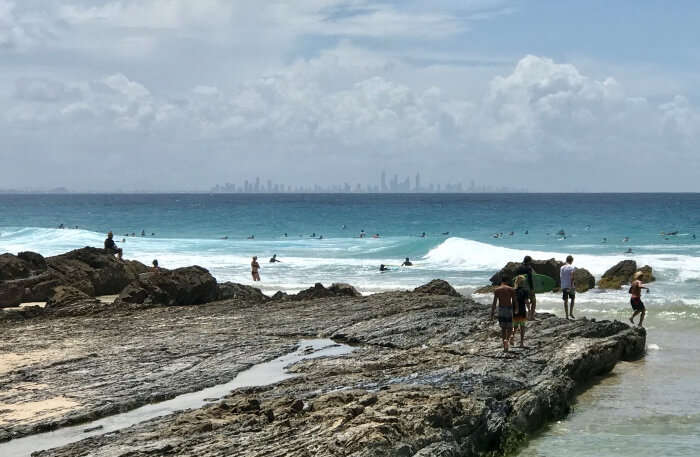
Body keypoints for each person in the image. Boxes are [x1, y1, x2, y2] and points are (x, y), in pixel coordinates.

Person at [491, 276, 515, 352]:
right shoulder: (511, 289)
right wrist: (516, 309)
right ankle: (507, 340)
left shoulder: (497, 290)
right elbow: (514, 301)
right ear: (507, 281)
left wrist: (492, 313)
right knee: (510, 327)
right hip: (509, 309)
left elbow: (494, 303)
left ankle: (505, 347)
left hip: (501, 309)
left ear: (501, 281)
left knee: (503, 329)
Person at [517, 256, 537, 320]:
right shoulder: (529, 268)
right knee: (533, 301)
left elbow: (517, 278)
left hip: (520, 287)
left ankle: (525, 315)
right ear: (529, 261)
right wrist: (532, 289)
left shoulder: (519, 268)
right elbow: (530, 278)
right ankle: (531, 316)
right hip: (528, 287)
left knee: (524, 301)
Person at [512, 275, 530, 347]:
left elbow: (512, 301)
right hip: (522, 310)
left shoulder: (513, 290)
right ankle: (521, 343)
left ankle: (511, 338)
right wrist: (529, 309)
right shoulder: (525, 291)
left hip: (514, 310)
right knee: (522, 327)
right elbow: (526, 301)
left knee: (515, 326)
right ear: (523, 282)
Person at [560, 255, 576, 319]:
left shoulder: (562, 267)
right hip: (570, 286)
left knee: (565, 301)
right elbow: (572, 277)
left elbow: (561, 277)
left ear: (566, 260)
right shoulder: (572, 267)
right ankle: (571, 313)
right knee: (572, 299)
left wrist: (562, 285)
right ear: (571, 260)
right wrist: (572, 286)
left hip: (564, 286)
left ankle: (566, 316)